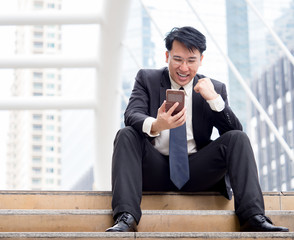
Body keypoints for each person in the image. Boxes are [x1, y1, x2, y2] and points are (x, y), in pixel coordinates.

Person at [105, 26, 289, 232]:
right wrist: (157, 125)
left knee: (238, 138)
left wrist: (214, 100)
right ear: (167, 56)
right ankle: (126, 217)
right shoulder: (147, 79)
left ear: (201, 59)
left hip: (196, 170)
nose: (183, 68)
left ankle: (253, 217)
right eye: (177, 59)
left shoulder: (214, 88)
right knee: (126, 134)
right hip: (153, 168)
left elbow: (234, 132)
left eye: (191, 60)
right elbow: (132, 114)